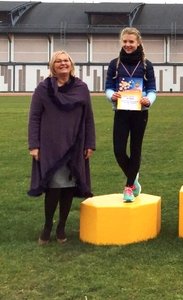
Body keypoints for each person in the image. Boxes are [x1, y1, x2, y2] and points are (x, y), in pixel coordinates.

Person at [28, 50, 96, 244]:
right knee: (54, 188)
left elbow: (89, 117)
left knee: (68, 188)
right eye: (58, 61)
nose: (63, 64)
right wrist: (34, 145)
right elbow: (34, 117)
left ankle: (61, 228)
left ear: (71, 64)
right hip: (51, 146)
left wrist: (90, 143)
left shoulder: (81, 88)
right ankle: (47, 226)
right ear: (53, 66)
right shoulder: (43, 89)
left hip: (76, 145)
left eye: (66, 61)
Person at [105, 27, 156, 202]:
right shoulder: (115, 64)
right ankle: (134, 177)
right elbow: (109, 87)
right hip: (121, 111)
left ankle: (128, 187)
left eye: (131, 42)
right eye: (125, 41)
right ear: (121, 42)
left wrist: (148, 100)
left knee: (135, 149)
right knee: (118, 150)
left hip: (139, 113)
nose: (128, 45)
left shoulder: (146, 65)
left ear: (138, 42)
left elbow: (152, 90)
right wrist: (111, 95)